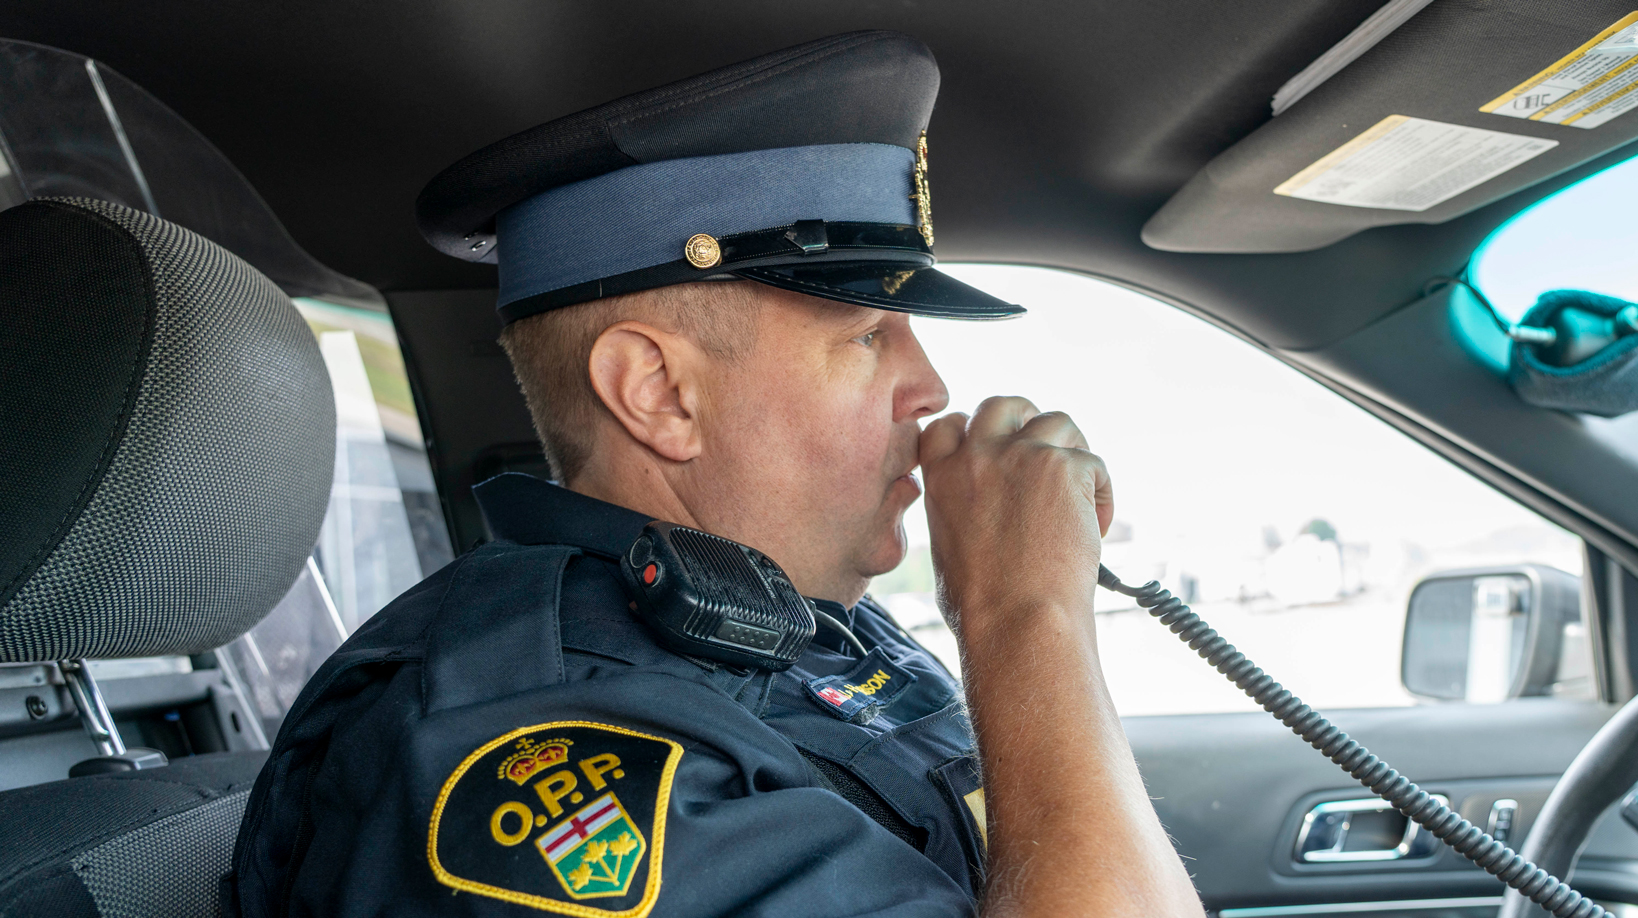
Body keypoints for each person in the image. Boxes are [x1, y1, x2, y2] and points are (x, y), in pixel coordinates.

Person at [230, 30, 1203, 918]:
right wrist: (1027, 614)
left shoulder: (813, 634)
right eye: (868, 336)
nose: (931, 388)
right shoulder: (542, 745)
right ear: (661, 393)